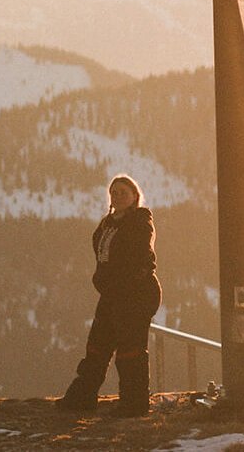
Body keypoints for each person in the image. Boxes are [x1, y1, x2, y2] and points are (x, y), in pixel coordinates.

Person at [56, 174, 161, 417]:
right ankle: (82, 397)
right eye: (114, 192)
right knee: (97, 346)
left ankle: (134, 405)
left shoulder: (140, 221)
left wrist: (127, 283)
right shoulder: (108, 222)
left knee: (130, 351)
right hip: (113, 294)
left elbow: (144, 259)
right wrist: (104, 281)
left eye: (123, 192)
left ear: (135, 196)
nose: (118, 196)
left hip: (135, 295)